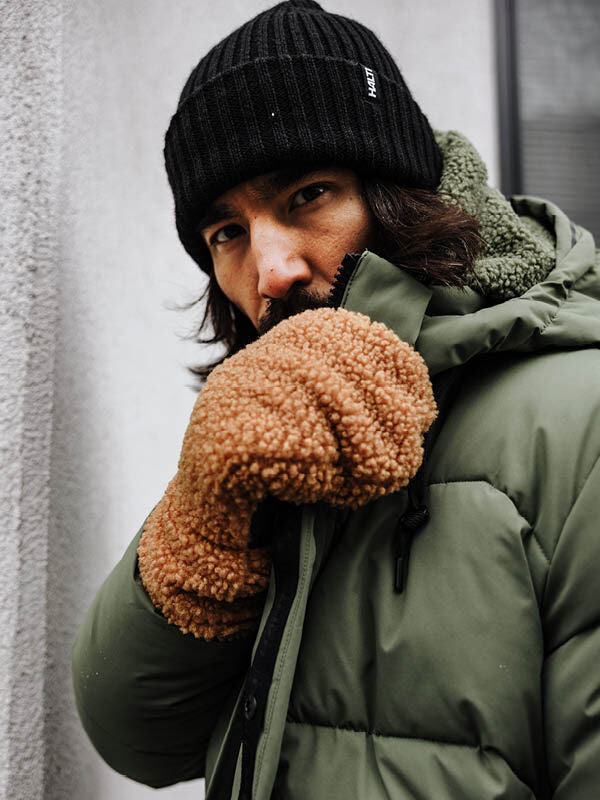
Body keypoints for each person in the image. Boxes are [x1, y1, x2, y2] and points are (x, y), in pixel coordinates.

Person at [71, 1, 600, 798]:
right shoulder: (269, 429)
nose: (270, 270)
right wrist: (202, 520)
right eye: (227, 233)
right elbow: (142, 739)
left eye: (307, 195)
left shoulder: (579, 417)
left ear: (400, 193)